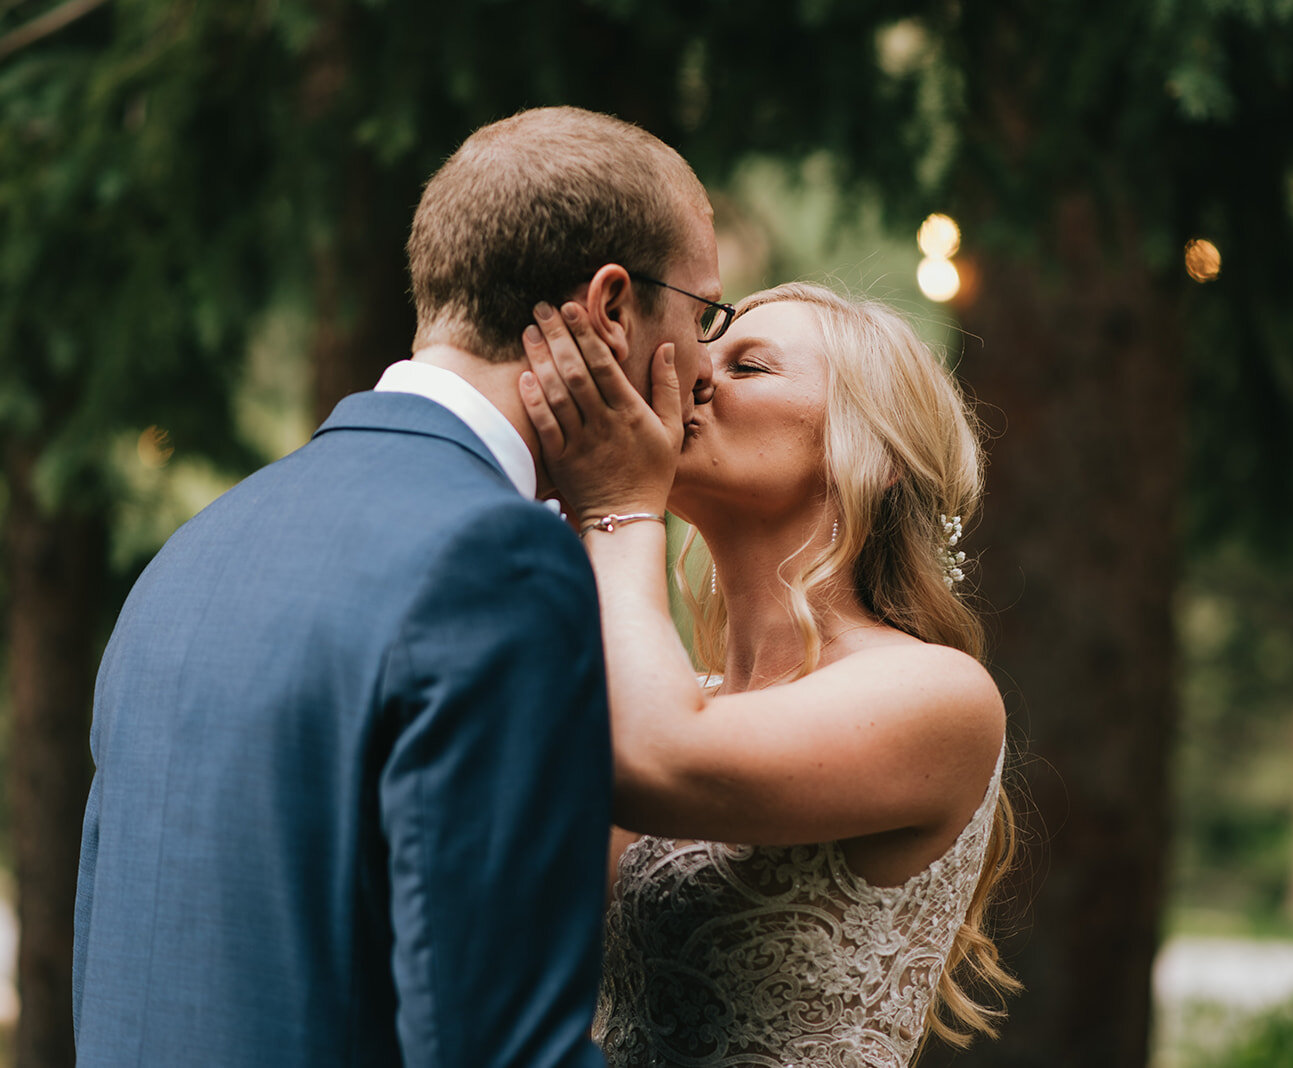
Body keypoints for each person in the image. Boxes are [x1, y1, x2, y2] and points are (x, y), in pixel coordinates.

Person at [72, 106, 718, 1067]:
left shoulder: (194, 550)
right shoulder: (497, 562)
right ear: (613, 309)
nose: (707, 368)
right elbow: (499, 1050)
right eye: (705, 317)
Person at [516, 282, 1019, 1067]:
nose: (688, 376)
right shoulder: (687, 697)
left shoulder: (938, 693)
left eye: (748, 365)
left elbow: (655, 758)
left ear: (874, 453)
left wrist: (615, 510)